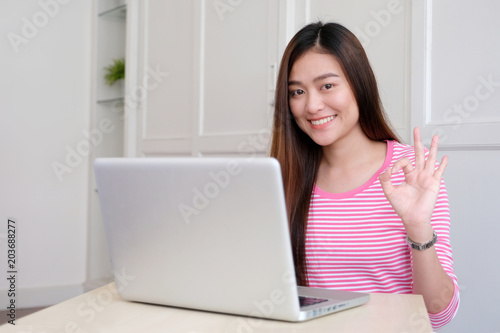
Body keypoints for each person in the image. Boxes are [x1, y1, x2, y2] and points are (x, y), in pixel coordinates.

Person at [270, 21, 459, 330]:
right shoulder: (285, 176)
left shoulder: (411, 170)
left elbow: (438, 313)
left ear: (359, 84)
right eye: (297, 92)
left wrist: (418, 228)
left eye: (327, 85)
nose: (312, 105)